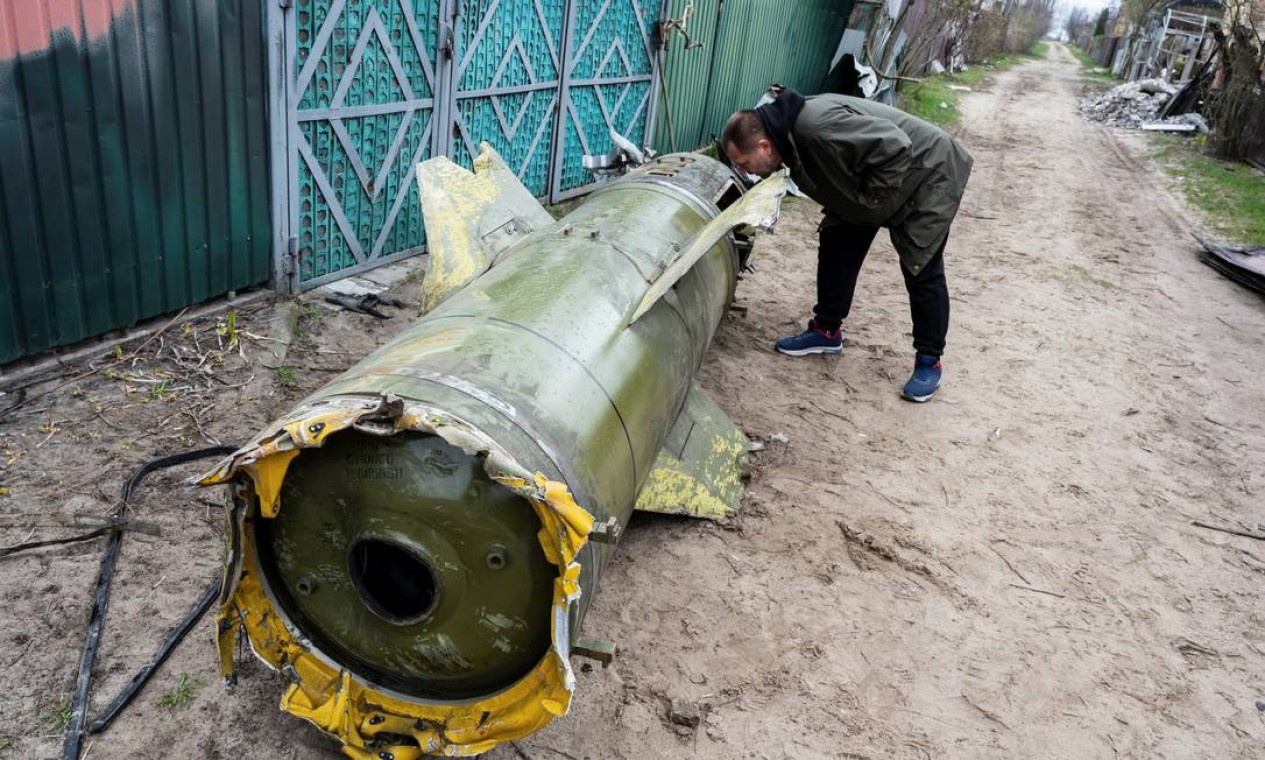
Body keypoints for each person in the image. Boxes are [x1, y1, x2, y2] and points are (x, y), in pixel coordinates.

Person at [722, 88, 973, 402]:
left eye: (744, 163)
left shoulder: (815, 128)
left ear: (763, 145)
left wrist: (871, 202)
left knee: (921, 268)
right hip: (872, 179)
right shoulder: (789, 136)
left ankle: (929, 362)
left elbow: (895, 146)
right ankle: (826, 331)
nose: (745, 170)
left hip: (929, 173)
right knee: (837, 241)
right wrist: (861, 205)